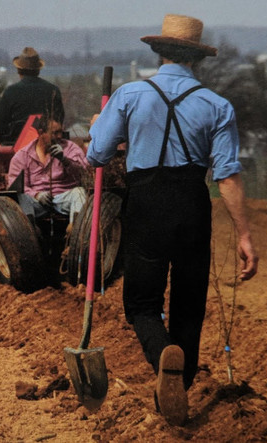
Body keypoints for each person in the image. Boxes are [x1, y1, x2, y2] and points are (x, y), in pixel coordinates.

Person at [86, 14, 258, 426]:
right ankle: (177, 385)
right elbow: (228, 175)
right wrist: (245, 234)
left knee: (142, 304)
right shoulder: (218, 105)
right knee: (189, 306)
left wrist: (99, 129)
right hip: (193, 204)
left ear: (159, 51)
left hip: (145, 204)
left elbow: (96, 156)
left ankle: (163, 355)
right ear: (195, 58)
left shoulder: (130, 95)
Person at [8, 117, 88, 225]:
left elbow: (83, 174)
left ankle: (76, 230)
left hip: (64, 197)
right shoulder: (22, 156)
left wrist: (65, 160)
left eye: (61, 132)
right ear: (41, 133)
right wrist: (36, 195)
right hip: (37, 202)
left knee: (79, 193)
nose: (59, 136)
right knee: (22, 197)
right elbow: (16, 186)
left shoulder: (71, 148)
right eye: (55, 133)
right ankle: (30, 231)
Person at [0, 47, 65, 146]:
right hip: (49, 145)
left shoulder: (10, 92)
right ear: (38, 70)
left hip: (16, 147)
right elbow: (59, 121)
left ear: (19, 70)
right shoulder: (54, 90)